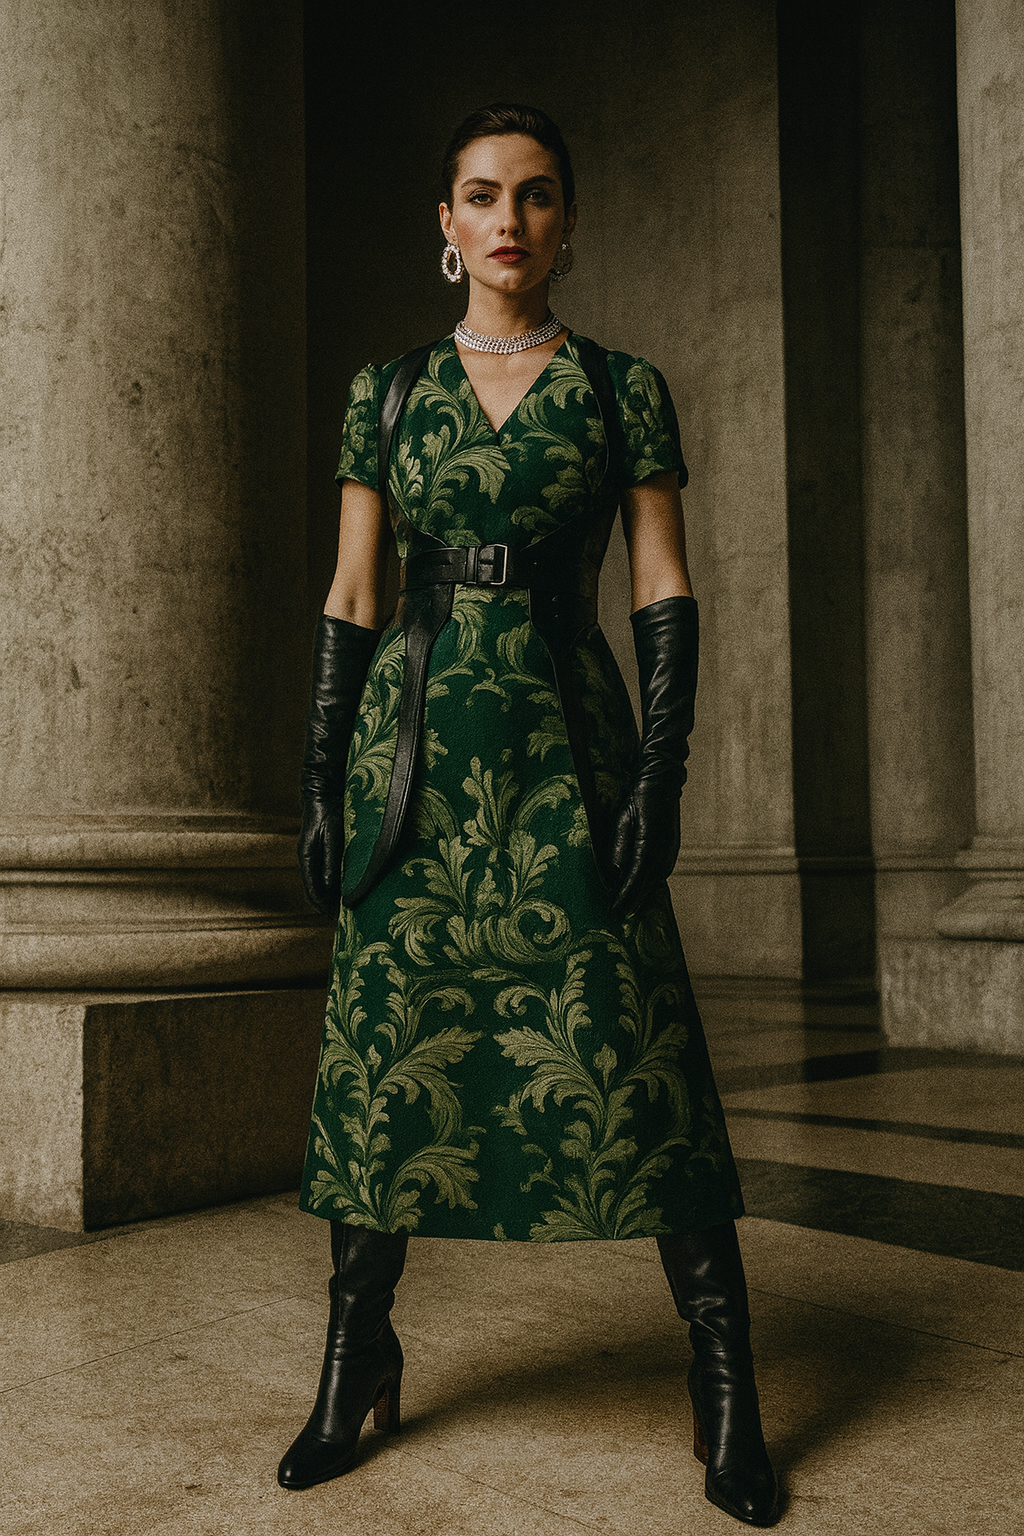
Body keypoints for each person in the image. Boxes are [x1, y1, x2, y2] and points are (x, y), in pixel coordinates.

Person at [280, 103, 779, 1529]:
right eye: (484, 195)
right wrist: (321, 774)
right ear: (446, 224)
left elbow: (662, 581)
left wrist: (664, 773)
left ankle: (725, 1376)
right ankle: (357, 1356)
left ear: (568, 221)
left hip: (571, 751)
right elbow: (355, 592)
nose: (511, 220)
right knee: (385, 1055)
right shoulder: (387, 393)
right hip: (415, 759)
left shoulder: (623, 388)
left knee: (642, 1048)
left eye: (539, 195)